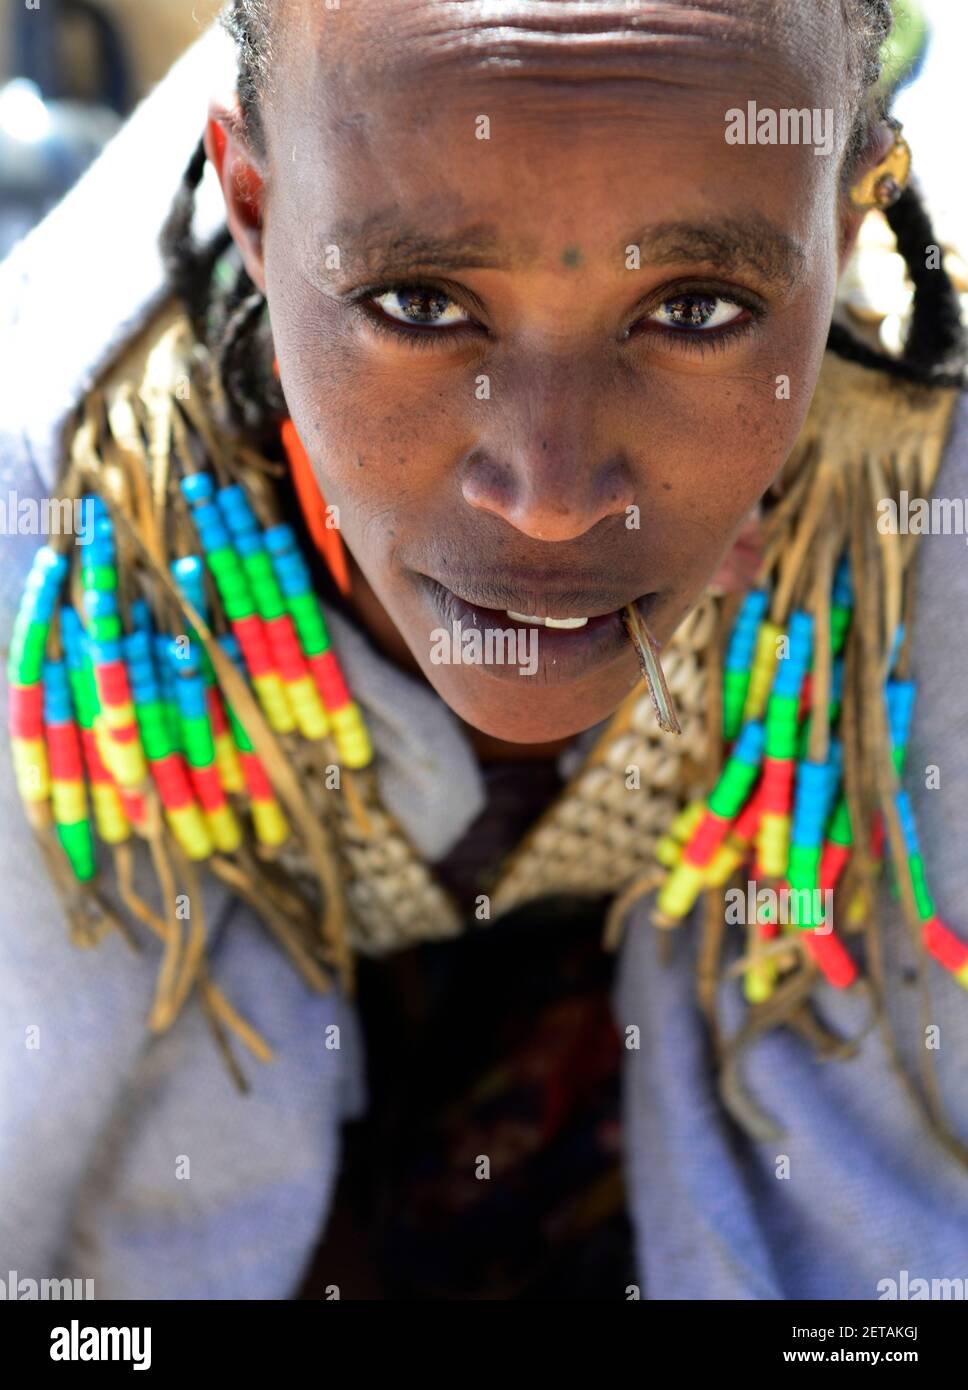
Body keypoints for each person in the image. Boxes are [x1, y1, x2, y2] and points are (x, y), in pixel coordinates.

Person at [2, 0, 968, 1301]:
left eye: (694, 307)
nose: (553, 490)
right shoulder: (68, 541)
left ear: (847, 223)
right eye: (419, 301)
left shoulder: (916, 513)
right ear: (252, 205)